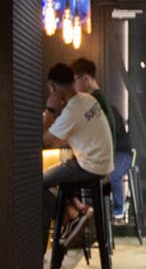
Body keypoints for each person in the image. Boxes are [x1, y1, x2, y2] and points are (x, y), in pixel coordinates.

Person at [42, 61, 114, 237]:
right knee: (59, 175)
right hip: (103, 164)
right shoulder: (87, 99)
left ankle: (71, 217)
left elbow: (45, 142)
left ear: (53, 87)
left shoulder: (72, 110)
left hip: (91, 166)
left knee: (36, 183)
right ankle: (80, 208)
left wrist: (50, 109)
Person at [70, 58, 133, 218]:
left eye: (75, 80)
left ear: (85, 78)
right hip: (107, 155)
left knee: (109, 174)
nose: (74, 86)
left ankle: (116, 208)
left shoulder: (98, 104)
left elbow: (110, 136)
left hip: (121, 153)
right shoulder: (96, 102)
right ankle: (92, 212)